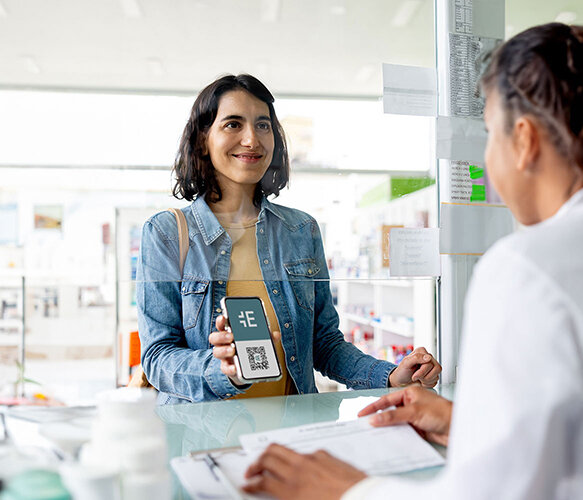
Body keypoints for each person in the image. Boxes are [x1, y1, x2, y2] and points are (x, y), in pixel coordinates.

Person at [243, 22, 583, 499]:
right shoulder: (169, 233)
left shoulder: (526, 268)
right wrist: (471, 425)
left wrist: (345, 489)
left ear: (524, 141)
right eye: (233, 124)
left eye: (490, 133)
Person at [136, 74, 441, 404]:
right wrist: (222, 370)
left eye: (263, 125)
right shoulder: (166, 233)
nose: (252, 139)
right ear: (203, 140)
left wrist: (390, 375)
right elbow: (156, 357)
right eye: (233, 125)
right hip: (204, 440)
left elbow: (324, 344)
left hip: (290, 433)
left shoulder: (301, 230)